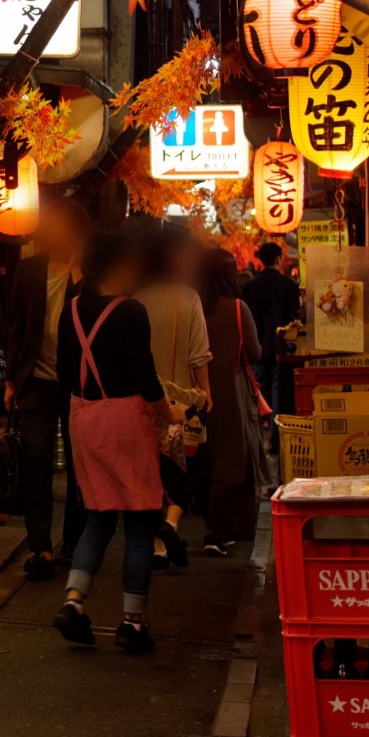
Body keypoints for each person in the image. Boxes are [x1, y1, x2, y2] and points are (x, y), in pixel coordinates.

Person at [52, 231, 178, 654]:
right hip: (125, 421)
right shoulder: (131, 312)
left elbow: (66, 373)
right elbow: (145, 376)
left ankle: (74, 602)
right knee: (141, 526)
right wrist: (171, 415)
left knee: (98, 518)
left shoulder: (69, 311)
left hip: (83, 419)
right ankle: (132, 624)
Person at [1, 198, 91, 580]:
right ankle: (40, 546)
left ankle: (73, 541)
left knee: (79, 467)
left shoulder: (90, 275)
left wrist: (78, 273)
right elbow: (16, 325)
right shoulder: (29, 269)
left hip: (78, 385)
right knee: (36, 461)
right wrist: (10, 380)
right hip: (35, 381)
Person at [133, 228, 210, 566]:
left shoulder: (136, 299)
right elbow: (199, 356)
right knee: (186, 470)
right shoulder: (189, 297)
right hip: (181, 406)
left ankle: (155, 546)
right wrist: (207, 395)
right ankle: (170, 522)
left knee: (149, 474)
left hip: (144, 404)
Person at [198, 249, 275, 554]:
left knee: (206, 456)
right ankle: (220, 530)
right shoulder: (238, 308)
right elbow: (254, 352)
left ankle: (208, 523)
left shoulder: (195, 306)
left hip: (199, 391)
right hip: (232, 390)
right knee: (234, 458)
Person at [240, 241, 300, 411]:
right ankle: (275, 435)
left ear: (261, 260)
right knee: (278, 392)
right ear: (279, 259)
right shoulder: (289, 285)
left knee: (257, 392)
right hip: (283, 346)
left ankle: (259, 430)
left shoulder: (250, 287)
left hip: (256, 346)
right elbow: (294, 316)